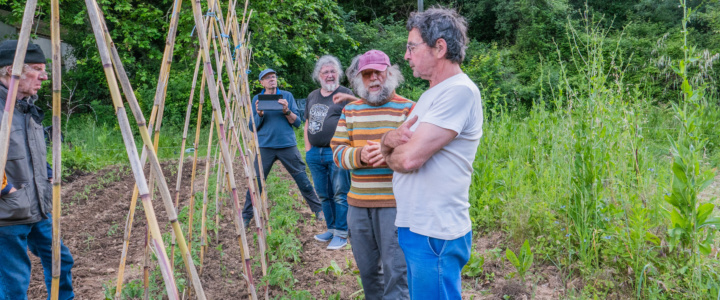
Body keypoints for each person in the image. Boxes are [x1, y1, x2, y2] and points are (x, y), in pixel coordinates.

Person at [379, 8, 483, 299]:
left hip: (435, 231)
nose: (406, 55)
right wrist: (389, 141)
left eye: (412, 47)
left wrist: (388, 153)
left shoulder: (460, 91)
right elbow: (394, 145)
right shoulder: (429, 96)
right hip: (417, 225)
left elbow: (409, 158)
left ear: (439, 47)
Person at [332, 49, 414, 299]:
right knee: (368, 271)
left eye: (378, 72)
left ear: (390, 73)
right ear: (359, 80)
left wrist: (389, 156)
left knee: (396, 270)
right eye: (366, 74)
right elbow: (337, 151)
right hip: (358, 204)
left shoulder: (408, 109)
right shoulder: (351, 111)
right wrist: (360, 156)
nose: (373, 79)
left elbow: (417, 154)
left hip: (395, 204)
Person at [0, 40, 75, 300]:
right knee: (14, 280)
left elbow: (25, 149)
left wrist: (46, 169)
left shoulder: (27, 106)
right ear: (10, 70)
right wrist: (5, 188)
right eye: (36, 68)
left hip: (36, 207)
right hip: (7, 212)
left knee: (61, 261)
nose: (44, 76)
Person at [243, 68, 323, 227]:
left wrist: (286, 110)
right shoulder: (257, 99)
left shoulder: (287, 96)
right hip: (265, 146)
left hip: (287, 145)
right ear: (262, 83)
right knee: (256, 182)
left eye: (273, 76)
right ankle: (246, 216)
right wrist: (259, 114)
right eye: (267, 78)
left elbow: (298, 122)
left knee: (302, 179)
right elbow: (252, 127)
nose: (271, 79)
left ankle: (318, 210)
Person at [304, 55, 353, 250]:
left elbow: (358, 116)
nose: (330, 75)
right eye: (326, 72)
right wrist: (308, 151)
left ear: (339, 74)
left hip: (337, 153)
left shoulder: (346, 93)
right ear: (319, 75)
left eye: (333, 71)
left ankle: (342, 233)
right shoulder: (313, 96)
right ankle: (331, 229)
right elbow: (307, 122)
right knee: (324, 194)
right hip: (315, 153)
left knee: (340, 193)